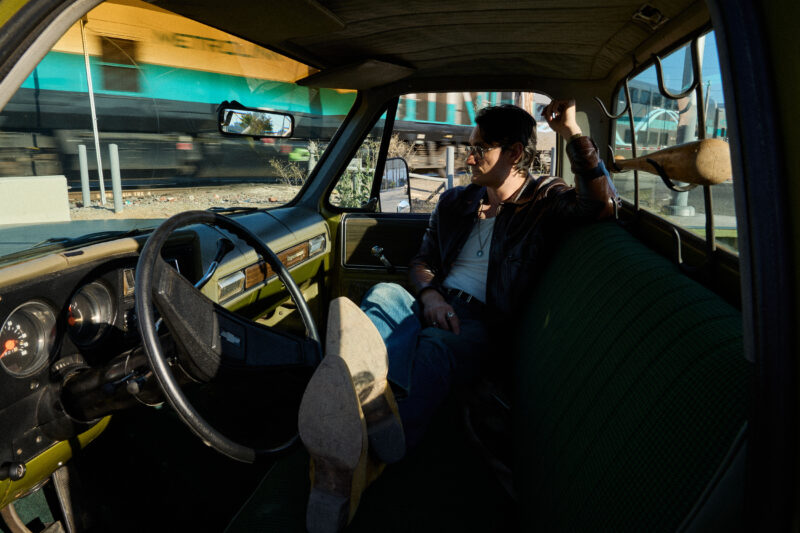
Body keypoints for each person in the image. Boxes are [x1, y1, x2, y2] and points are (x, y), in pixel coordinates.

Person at [298, 100, 618, 533]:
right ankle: (374, 407)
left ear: (515, 154)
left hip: (482, 322)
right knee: (384, 293)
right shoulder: (455, 201)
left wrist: (572, 133)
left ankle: (346, 467)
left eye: (480, 148)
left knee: (436, 346)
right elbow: (422, 261)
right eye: (471, 147)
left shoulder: (545, 199)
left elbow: (601, 207)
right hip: (436, 300)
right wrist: (429, 295)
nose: (468, 157)